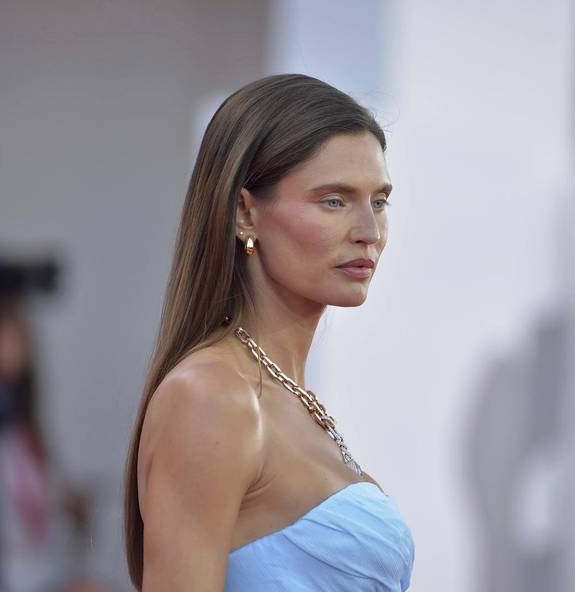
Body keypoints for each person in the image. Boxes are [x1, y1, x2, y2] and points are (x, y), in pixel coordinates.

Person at [123, 74, 415, 591]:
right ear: (245, 213)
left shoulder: (285, 394)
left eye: (379, 201)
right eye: (334, 201)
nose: (369, 232)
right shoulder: (213, 395)